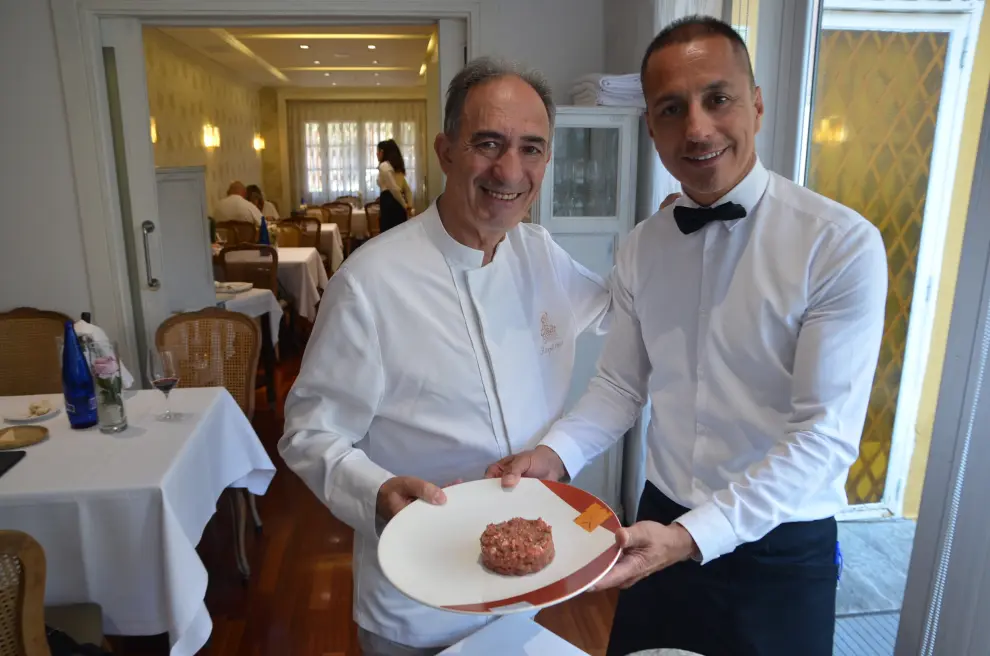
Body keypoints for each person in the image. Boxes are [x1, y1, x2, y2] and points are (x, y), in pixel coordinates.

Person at [487, 16, 887, 656]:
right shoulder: (644, 245)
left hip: (779, 544)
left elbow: (823, 438)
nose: (696, 128)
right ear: (650, 126)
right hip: (660, 523)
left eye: (718, 98)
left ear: (755, 104)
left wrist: (699, 534)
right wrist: (555, 454)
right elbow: (620, 383)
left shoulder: (839, 245)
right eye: (672, 109)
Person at [278, 57, 612, 656]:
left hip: (534, 584)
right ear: (445, 150)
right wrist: (374, 492)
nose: (510, 170)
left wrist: (663, 249)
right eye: (489, 143)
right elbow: (309, 432)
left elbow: (625, 313)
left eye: (532, 149)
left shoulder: (542, 255)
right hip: (418, 595)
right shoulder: (371, 281)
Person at [375, 139, 415, 231]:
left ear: (382, 152)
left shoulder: (384, 166)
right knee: (399, 234)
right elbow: (407, 190)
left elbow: (393, 188)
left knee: (387, 236)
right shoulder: (396, 168)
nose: (377, 154)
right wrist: (409, 205)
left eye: (377, 151)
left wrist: (405, 206)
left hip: (389, 204)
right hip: (398, 205)